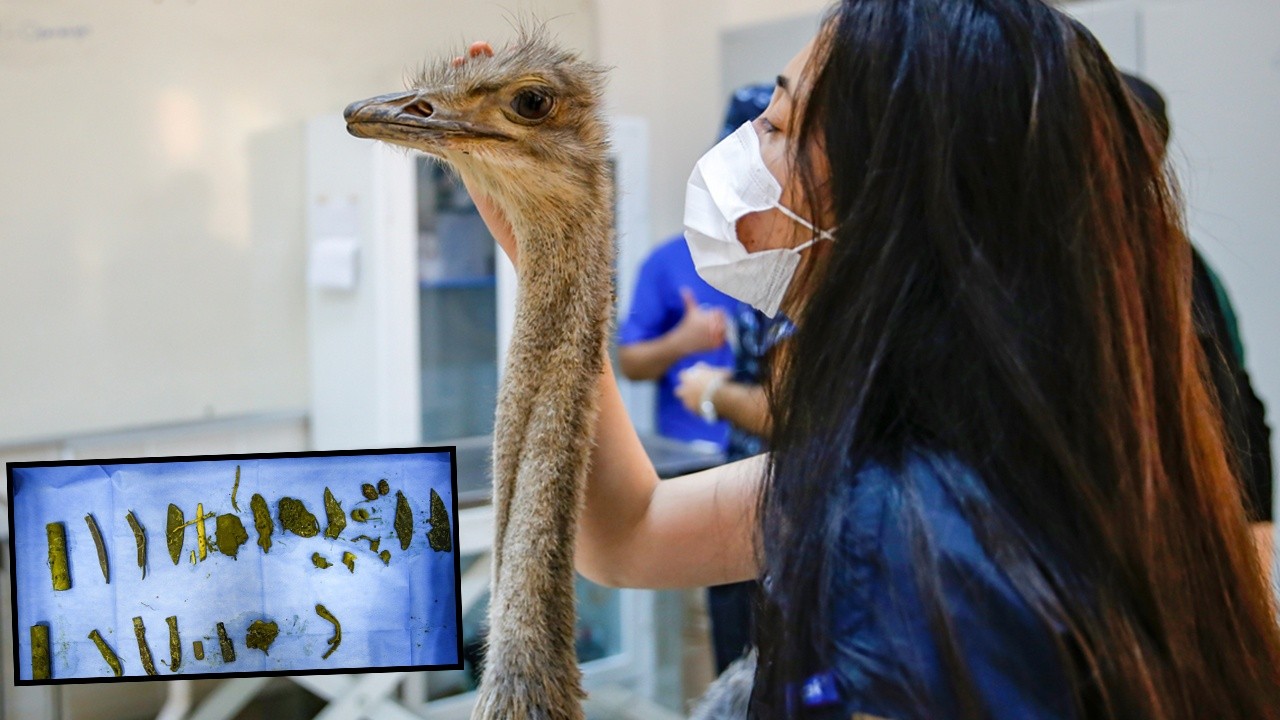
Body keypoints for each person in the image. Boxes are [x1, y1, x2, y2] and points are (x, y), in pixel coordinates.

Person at [456, 1, 1280, 717]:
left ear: (894, 194)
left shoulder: (902, 527)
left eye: (776, 126)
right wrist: (549, 256)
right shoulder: (1007, 447)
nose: (745, 152)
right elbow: (629, 534)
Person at [1120, 73, 1274, 553]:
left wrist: (1255, 522)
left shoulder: (1177, 260)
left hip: (1186, 522)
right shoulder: (1169, 254)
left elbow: (1235, 400)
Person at [673, 83, 791, 675]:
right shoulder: (757, 274)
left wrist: (713, 394)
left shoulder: (811, 282)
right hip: (750, 500)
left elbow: (796, 411)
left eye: (775, 129)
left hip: (783, 520)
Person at [617, 217, 737, 449]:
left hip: (771, 444)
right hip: (693, 445)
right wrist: (682, 342)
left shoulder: (775, 260)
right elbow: (629, 363)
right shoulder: (666, 263)